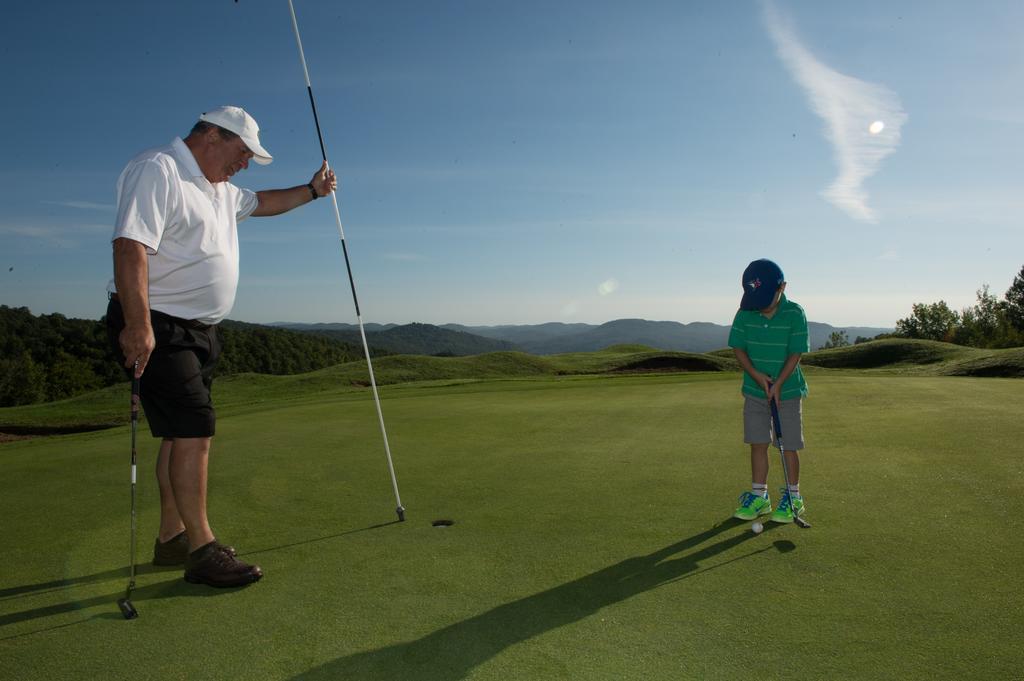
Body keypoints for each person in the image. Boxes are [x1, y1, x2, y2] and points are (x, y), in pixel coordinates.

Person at [106, 105, 337, 587]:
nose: (245, 164)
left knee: (177, 433)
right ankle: (202, 548)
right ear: (212, 135)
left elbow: (266, 203)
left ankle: (172, 537)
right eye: (243, 152)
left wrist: (313, 191)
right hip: (160, 325)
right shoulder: (160, 169)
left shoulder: (220, 190)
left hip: (200, 331)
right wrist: (138, 323)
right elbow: (130, 244)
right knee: (195, 429)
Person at [727, 258, 810, 524]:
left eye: (766, 298)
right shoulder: (745, 312)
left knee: (789, 446)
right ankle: (760, 498)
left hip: (788, 390)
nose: (760, 305)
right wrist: (756, 375)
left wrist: (780, 383)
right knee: (758, 443)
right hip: (754, 389)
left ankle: (793, 497)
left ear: (782, 287)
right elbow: (738, 347)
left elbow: (796, 352)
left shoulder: (795, 313)